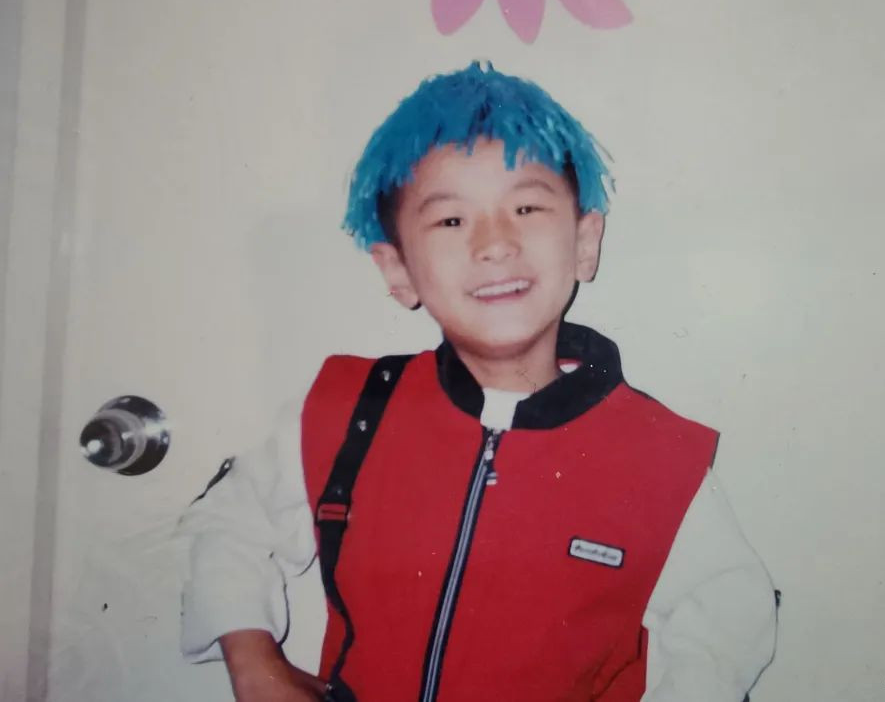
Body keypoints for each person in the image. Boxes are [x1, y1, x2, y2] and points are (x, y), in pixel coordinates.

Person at [177, 62, 777, 702]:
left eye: (526, 207)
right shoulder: (351, 409)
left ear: (584, 241)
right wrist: (254, 663)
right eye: (452, 221)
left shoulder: (659, 456)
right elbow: (229, 523)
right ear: (397, 270)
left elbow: (730, 615)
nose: (494, 244)